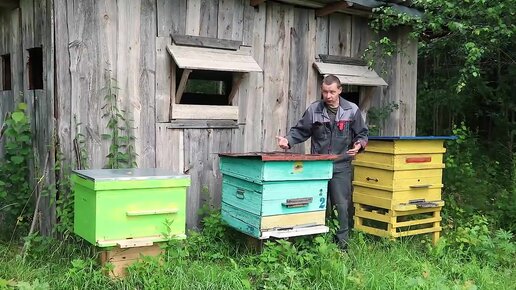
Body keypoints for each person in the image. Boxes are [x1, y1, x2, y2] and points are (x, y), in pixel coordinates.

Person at [276, 74, 368, 250]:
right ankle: (316, 243)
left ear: (340, 90)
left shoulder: (352, 110)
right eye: (325, 92)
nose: (328, 96)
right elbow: (300, 131)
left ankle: (342, 247)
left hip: (341, 166)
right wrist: (287, 141)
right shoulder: (314, 110)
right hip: (317, 166)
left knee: (341, 206)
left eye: (332, 92)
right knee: (316, 204)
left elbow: (362, 134)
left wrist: (358, 145)